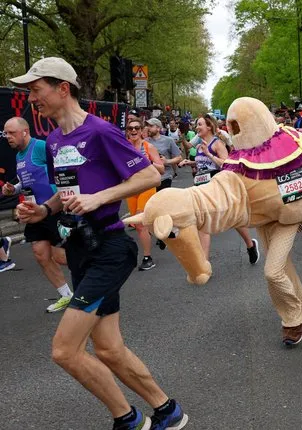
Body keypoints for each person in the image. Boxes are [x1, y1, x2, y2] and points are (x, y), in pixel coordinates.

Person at [11, 57, 188, 429]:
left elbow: (149, 174)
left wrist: (100, 198)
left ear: (63, 88)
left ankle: (126, 419)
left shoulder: (101, 131)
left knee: (64, 350)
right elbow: (66, 193)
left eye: (36, 89)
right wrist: (43, 211)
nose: (31, 99)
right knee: (108, 348)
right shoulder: (55, 139)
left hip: (108, 247)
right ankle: (167, 412)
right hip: (79, 249)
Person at [2, 116, 72, 312]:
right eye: (6, 133)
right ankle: (66, 295)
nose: (8, 137)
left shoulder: (40, 146)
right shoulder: (19, 155)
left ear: (24, 131)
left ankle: (93, 281)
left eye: (11, 133)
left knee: (59, 256)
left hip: (53, 207)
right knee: (40, 254)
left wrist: (65, 199)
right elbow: (28, 181)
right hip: (35, 211)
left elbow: (63, 169)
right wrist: (13, 189)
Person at [178, 115, 259, 264]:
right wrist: (189, 163)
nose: (197, 127)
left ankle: (250, 244)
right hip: (202, 188)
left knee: (233, 219)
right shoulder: (199, 145)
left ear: (209, 127)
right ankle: (204, 264)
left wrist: (209, 154)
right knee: (203, 223)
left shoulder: (217, 144)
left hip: (217, 187)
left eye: (200, 124)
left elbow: (227, 165)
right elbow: (202, 165)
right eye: (197, 125)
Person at [125, 117, 165, 271]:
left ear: (142, 131)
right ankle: (162, 232)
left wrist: (147, 162)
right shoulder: (124, 147)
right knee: (138, 223)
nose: (133, 131)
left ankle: (147, 258)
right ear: (127, 132)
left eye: (136, 128)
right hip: (131, 188)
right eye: (130, 129)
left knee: (141, 224)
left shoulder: (148, 147)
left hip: (147, 187)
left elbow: (161, 169)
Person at [145, 117, 182, 250]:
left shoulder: (168, 141)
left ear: (158, 128)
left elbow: (179, 157)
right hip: (150, 179)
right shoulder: (145, 142)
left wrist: (166, 162)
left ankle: (165, 232)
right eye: (147, 126)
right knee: (152, 208)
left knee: (162, 207)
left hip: (165, 176)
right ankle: (159, 232)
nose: (148, 128)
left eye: (151, 126)